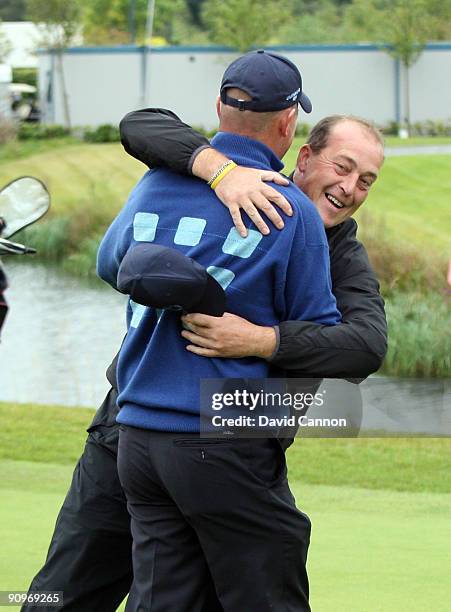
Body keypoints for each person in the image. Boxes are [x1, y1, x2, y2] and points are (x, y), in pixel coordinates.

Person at [23, 92, 386, 612]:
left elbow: (365, 346)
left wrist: (261, 340)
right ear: (304, 155)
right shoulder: (220, 182)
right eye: (343, 168)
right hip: (127, 424)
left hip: (230, 441)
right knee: (69, 586)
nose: (350, 189)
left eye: (366, 181)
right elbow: (143, 125)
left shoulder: (342, 254)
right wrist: (221, 172)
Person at [96, 48, 340, 612]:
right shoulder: (290, 208)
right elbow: (318, 330)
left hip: (137, 437)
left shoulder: (155, 184)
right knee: (268, 594)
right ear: (288, 122)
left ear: (218, 108)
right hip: (222, 433)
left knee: (164, 599)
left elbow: (113, 267)